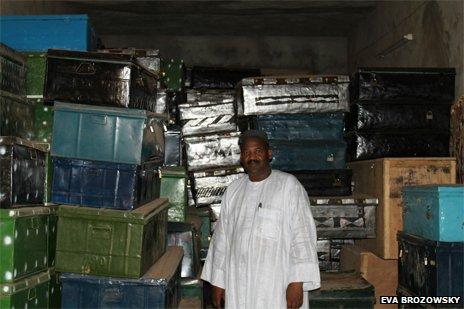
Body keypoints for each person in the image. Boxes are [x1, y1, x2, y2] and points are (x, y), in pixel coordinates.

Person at [201, 130, 320, 309]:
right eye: (247, 152)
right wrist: (218, 281)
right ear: (241, 157)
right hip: (239, 283)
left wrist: (297, 281)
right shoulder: (233, 191)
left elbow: (303, 235)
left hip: (276, 285)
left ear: (269, 153)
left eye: (258, 151)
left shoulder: (288, 186)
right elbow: (222, 239)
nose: (252, 157)